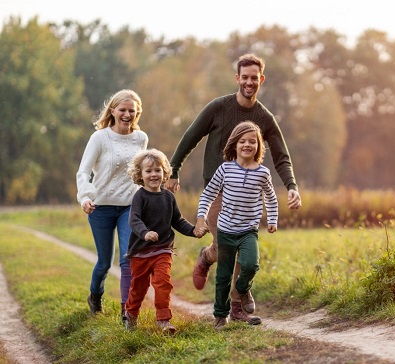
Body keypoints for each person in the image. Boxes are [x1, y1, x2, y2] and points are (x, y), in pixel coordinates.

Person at [166, 53, 301, 322]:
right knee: (224, 245)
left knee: (244, 246)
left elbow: (281, 155)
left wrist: (291, 186)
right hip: (218, 189)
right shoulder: (218, 108)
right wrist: (174, 169)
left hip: (248, 195)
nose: (249, 82)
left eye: (255, 78)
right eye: (245, 77)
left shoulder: (264, 117)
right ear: (237, 78)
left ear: (261, 80)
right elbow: (190, 137)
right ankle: (207, 257)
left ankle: (237, 305)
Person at [195, 121, 278, 330]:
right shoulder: (225, 169)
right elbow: (208, 194)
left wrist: (273, 219)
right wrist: (201, 217)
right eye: (242, 141)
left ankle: (242, 291)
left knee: (251, 264)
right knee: (223, 275)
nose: (247, 145)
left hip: (248, 230)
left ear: (259, 146)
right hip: (225, 231)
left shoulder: (262, 173)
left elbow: (271, 197)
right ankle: (220, 316)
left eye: (252, 142)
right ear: (234, 144)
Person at [76, 89, 148, 321]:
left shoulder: (140, 138)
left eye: (131, 111)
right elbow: (84, 171)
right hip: (101, 207)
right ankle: (95, 296)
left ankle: (127, 311)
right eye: (123, 110)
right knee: (104, 263)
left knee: (128, 259)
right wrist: (85, 197)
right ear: (113, 111)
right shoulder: (100, 138)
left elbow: (141, 172)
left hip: (130, 206)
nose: (127, 114)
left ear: (137, 113)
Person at [123, 149, 207, 333]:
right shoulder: (140, 197)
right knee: (139, 288)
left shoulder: (168, 197)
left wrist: (194, 230)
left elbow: (177, 221)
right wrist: (145, 233)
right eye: (148, 171)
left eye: (157, 170)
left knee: (163, 282)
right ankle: (130, 314)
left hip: (162, 250)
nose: (153, 174)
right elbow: (134, 220)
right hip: (141, 252)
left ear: (164, 173)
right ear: (140, 174)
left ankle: (163, 320)